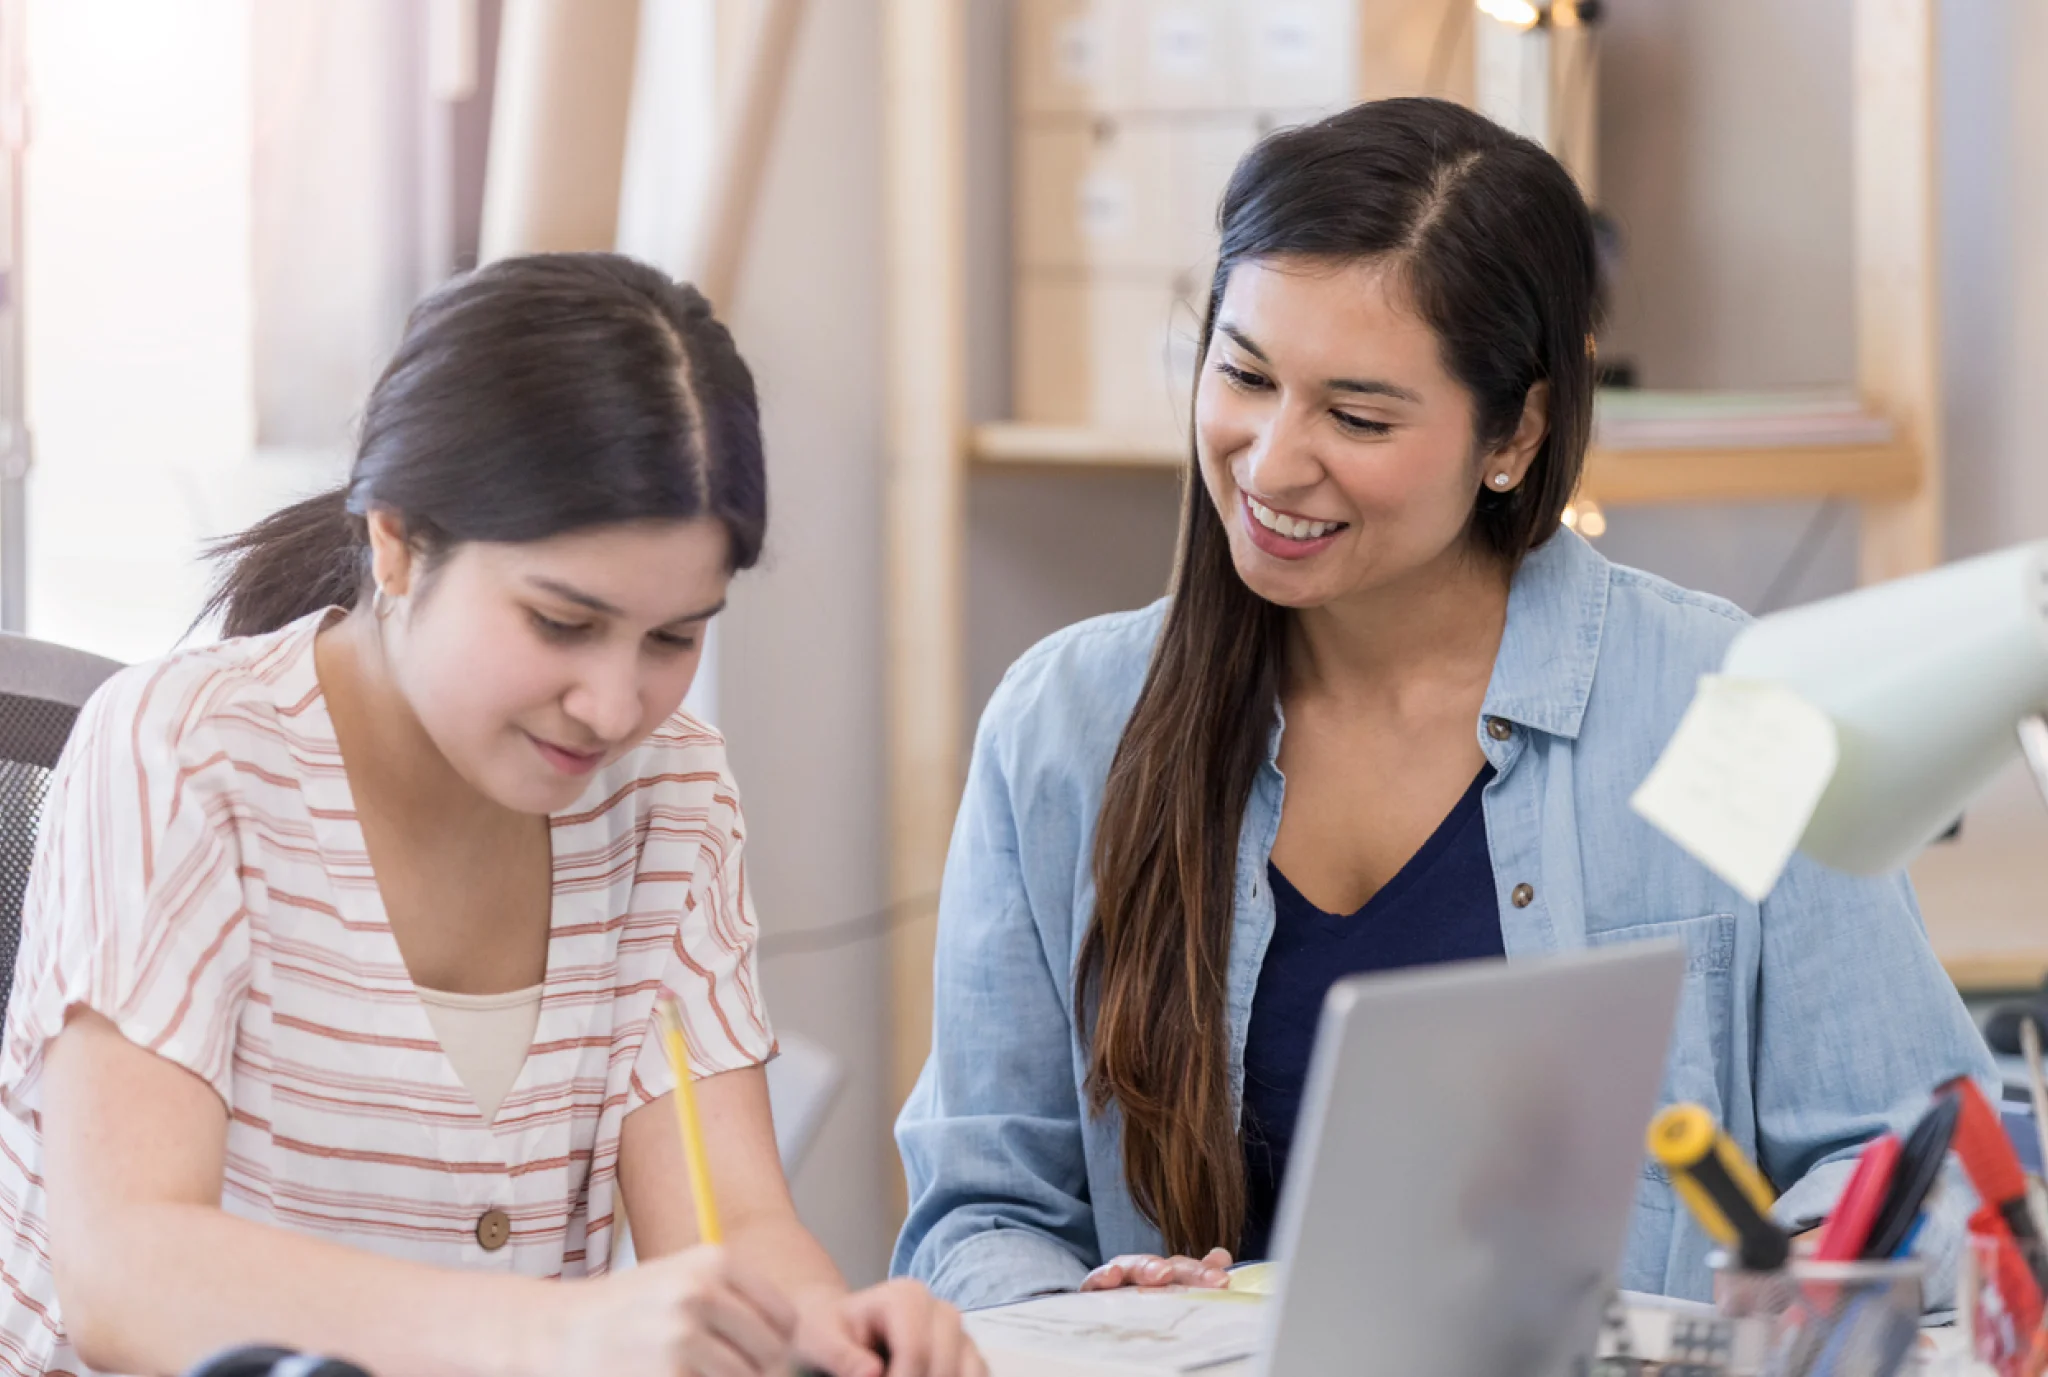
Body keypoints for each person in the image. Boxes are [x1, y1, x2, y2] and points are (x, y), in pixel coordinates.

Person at [892, 98, 1993, 1310]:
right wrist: (1096, 1321)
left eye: (1356, 416)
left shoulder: (1724, 707)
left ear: (1512, 431)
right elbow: (982, 1211)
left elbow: (1917, 1170)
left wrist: (1730, 1313)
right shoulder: (1064, 726)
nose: (1268, 462)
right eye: (1243, 374)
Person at [0, 254, 982, 1377]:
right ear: (398, 543)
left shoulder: (667, 792)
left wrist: (823, 1328)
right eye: (563, 624)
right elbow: (126, 1272)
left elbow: (735, 1224)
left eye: (672, 638)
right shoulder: (183, 751)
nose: (616, 706)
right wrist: (558, 1333)